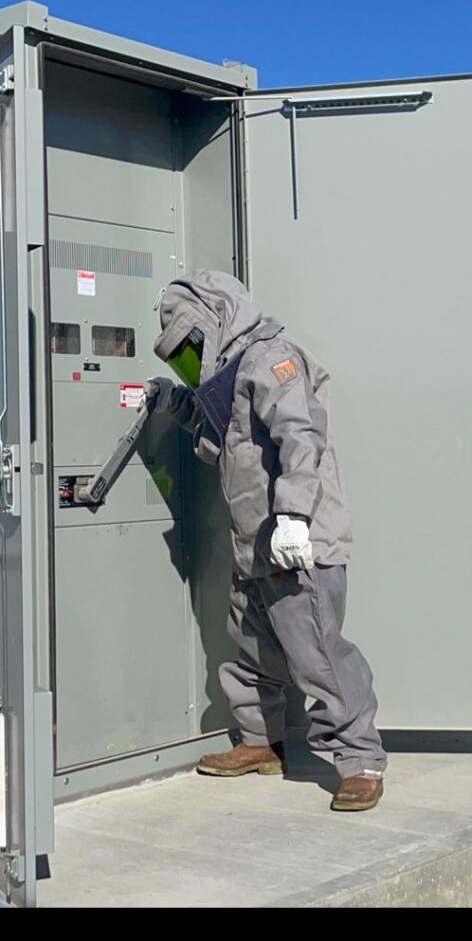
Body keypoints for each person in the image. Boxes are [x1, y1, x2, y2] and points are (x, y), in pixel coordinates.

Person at [147, 269, 386, 811]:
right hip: (256, 544)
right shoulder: (230, 374)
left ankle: (361, 758)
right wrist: (173, 401)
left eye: (189, 347)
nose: (189, 361)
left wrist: (296, 516)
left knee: (319, 656)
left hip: (298, 544)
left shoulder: (270, 359)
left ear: (214, 321)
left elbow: (301, 437)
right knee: (252, 651)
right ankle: (262, 743)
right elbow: (218, 433)